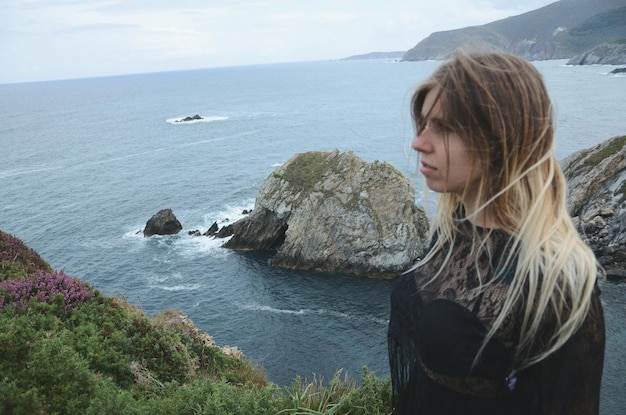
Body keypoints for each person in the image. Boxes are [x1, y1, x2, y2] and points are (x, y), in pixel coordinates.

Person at [387, 51, 605, 415]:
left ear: (499, 137)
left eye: (444, 127)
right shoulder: (451, 234)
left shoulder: (556, 281)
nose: (419, 142)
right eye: (424, 124)